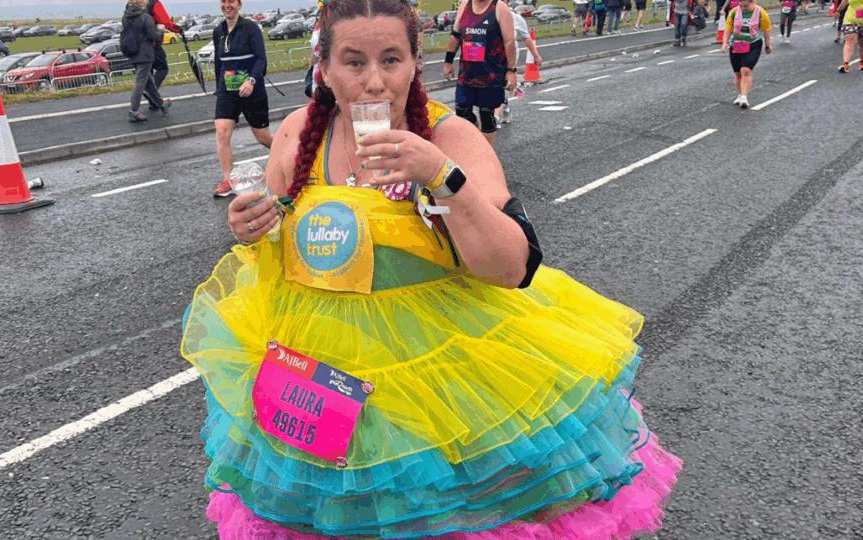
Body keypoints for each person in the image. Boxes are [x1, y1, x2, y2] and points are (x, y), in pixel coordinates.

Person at [182, 0, 682, 538]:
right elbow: (281, 228)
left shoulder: (450, 138)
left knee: (437, 514)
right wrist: (253, 226)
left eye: (391, 60)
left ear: (415, 63)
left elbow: (514, 266)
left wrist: (440, 175)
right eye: (353, 62)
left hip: (433, 380)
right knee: (331, 516)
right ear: (323, 69)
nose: (374, 82)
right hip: (315, 377)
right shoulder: (299, 133)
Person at [212, 0, 274, 197]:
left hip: (250, 89)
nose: (226, 5)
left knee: (262, 137)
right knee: (222, 131)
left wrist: (252, 81)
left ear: (239, 5)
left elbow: (261, 59)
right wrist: (218, 87)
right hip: (227, 90)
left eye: (231, 1)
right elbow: (218, 62)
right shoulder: (219, 30)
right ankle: (228, 180)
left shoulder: (250, 28)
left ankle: (293, 156)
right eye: (223, 2)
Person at [443, 0, 517, 146]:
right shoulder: (465, 5)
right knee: (461, 110)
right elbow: (455, 35)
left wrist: (511, 71)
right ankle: (477, 142)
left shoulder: (499, 8)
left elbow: (509, 42)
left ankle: (486, 157)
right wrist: (448, 62)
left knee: (486, 114)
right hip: (467, 74)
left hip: (491, 74)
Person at [122, 0, 169, 122]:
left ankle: (160, 103)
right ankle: (133, 111)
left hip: (132, 52)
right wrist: (160, 29)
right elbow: (154, 36)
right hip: (145, 53)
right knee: (141, 82)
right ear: (142, 3)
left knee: (148, 81)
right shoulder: (146, 17)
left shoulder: (126, 16)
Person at [495, 8, 542, 126]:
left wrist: (536, 56)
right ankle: (505, 110)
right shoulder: (490, 15)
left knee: (501, 85)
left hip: (510, 55)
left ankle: (495, 117)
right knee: (494, 85)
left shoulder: (516, 18)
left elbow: (527, 38)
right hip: (492, 56)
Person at [722, 0, 772, 108]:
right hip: (736, 44)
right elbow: (728, 28)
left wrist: (767, 45)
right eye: (741, 6)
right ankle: (739, 95)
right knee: (738, 74)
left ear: (753, 2)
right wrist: (724, 43)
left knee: (745, 70)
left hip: (753, 44)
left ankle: (744, 98)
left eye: (746, 6)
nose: (743, 8)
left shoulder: (761, 13)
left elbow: (766, 30)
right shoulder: (734, 12)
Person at [145, 0, 182, 106]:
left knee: (148, 71)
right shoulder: (154, 3)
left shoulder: (133, 4)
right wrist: (178, 29)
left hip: (138, 45)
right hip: (152, 43)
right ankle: (152, 94)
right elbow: (166, 22)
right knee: (163, 68)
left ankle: (150, 99)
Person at [837, 0, 863, 71]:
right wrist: (838, 11)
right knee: (850, 39)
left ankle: (862, 61)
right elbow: (844, 2)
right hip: (851, 19)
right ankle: (845, 64)